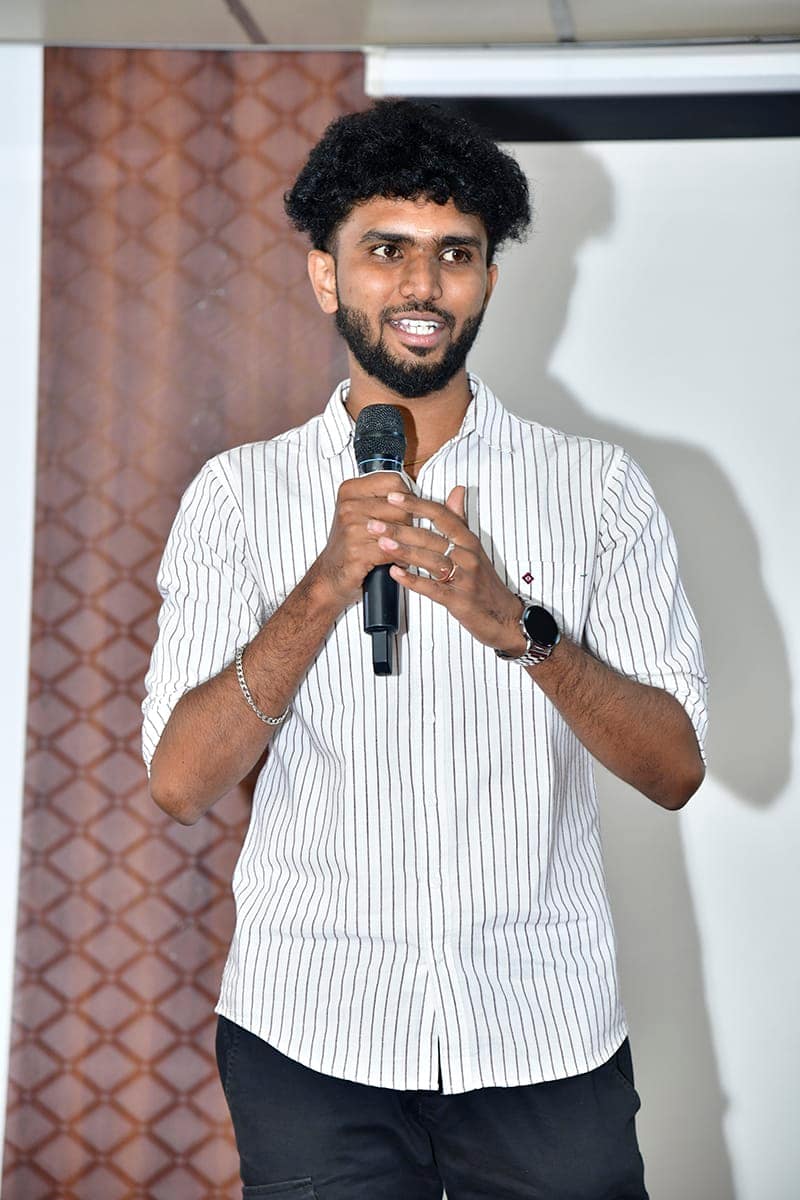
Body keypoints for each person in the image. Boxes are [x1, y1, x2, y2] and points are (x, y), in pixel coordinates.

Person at [142, 100, 707, 1200]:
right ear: (326, 276)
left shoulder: (595, 490)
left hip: (544, 1029)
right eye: (386, 249)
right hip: (311, 1031)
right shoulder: (238, 495)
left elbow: (674, 769)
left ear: (487, 279)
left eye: (455, 253)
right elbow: (180, 782)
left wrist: (521, 630)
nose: (421, 285)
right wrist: (323, 587)